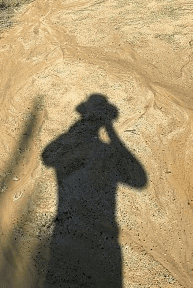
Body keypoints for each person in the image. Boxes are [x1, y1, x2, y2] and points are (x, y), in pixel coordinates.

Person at [41, 94, 147, 287]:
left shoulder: (89, 149)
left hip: (70, 233)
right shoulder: (106, 152)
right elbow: (140, 180)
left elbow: (47, 156)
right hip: (100, 239)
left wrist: (74, 134)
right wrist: (110, 130)